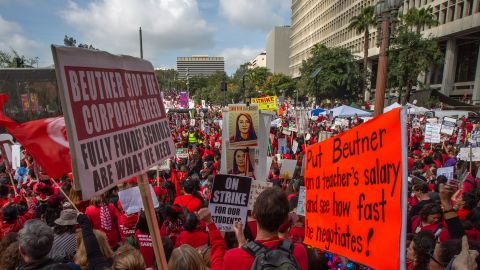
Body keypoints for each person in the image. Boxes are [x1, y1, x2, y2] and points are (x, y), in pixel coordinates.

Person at [222, 187, 308, 269]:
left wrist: (241, 246)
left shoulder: (232, 257)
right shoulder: (298, 252)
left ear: (253, 213)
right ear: (285, 219)